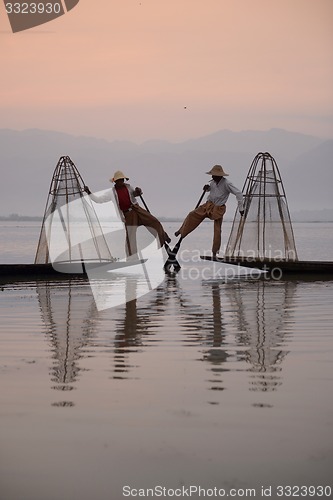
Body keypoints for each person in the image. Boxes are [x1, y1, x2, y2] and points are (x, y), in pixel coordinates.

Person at [84, 170, 170, 257]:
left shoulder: (128, 187)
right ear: (116, 181)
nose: (121, 182)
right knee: (130, 237)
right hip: (127, 215)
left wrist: (138, 191)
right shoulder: (112, 193)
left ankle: (163, 237)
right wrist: (89, 192)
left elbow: (135, 194)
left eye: (122, 180)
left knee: (154, 221)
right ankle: (132, 258)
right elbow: (99, 200)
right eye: (119, 180)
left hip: (137, 209)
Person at [174, 164, 244, 257]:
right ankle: (181, 231)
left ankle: (214, 252)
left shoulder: (227, 183)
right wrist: (206, 188)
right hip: (208, 205)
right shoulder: (212, 182)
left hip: (218, 208)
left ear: (219, 176)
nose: (212, 176)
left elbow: (238, 193)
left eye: (214, 175)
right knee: (192, 214)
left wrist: (241, 208)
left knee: (217, 230)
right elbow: (211, 190)